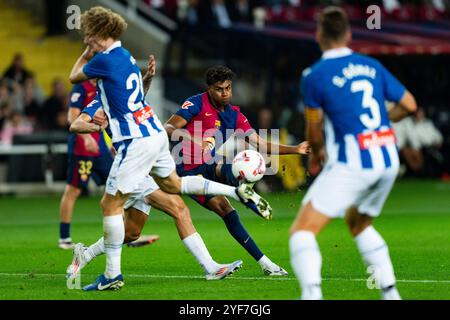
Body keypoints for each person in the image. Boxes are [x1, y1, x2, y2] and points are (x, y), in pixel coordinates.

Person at [68, 6, 266, 291]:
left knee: (143, 219)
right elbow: (75, 125)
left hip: (138, 150)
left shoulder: (108, 74)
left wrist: (95, 55)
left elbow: (86, 78)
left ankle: (95, 262)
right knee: (166, 209)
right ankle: (213, 254)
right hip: (142, 149)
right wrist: (94, 125)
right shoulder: (116, 70)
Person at [288, 6, 417, 300]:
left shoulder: (313, 75)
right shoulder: (371, 65)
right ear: (348, 34)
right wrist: (384, 121)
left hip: (354, 161)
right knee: (358, 223)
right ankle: (390, 294)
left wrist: (316, 155)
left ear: (319, 35)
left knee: (302, 231)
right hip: (387, 158)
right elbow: (410, 105)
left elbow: (315, 129)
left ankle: (311, 296)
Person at [66, 97, 243, 285]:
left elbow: (140, 89)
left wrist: (149, 77)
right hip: (133, 167)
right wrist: (96, 127)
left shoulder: (128, 93)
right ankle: (211, 268)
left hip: (145, 166)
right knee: (179, 209)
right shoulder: (101, 101)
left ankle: (85, 254)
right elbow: (76, 125)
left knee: (132, 233)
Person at [163, 65, 311, 276]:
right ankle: (244, 194)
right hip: (186, 170)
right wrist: (192, 138)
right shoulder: (196, 102)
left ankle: (266, 264)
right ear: (209, 89)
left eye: (228, 88)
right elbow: (168, 128)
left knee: (230, 183)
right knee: (227, 207)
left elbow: (260, 144)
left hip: (209, 163)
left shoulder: (235, 115)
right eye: (219, 89)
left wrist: (295, 149)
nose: (224, 93)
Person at [57, 79, 114, 250]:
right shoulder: (81, 88)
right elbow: (72, 117)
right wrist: (87, 137)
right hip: (82, 149)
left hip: (101, 149)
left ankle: (126, 233)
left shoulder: (105, 88)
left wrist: (111, 143)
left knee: (117, 186)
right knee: (73, 190)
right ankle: (64, 237)